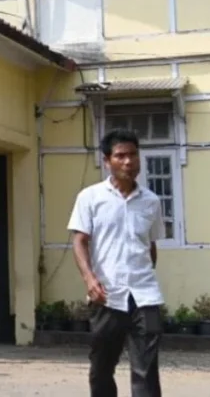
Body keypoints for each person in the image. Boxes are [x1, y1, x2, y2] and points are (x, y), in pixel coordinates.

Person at [68, 129, 165, 397]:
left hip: (145, 296)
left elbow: (151, 246)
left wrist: (142, 274)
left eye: (133, 155)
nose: (128, 161)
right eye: (120, 155)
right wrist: (89, 279)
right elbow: (79, 241)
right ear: (107, 160)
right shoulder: (90, 197)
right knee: (101, 367)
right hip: (107, 296)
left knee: (146, 370)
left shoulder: (151, 202)